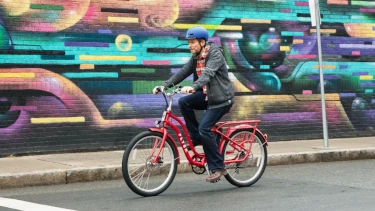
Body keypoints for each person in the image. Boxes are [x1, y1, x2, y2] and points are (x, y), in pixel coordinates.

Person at [152, 26, 234, 183]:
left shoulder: (215, 54)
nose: (190, 45)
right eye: (188, 42)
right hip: (206, 96)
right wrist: (165, 86)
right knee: (184, 102)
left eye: (192, 42)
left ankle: (218, 167)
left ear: (202, 42)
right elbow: (183, 72)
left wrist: (194, 86)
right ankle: (196, 137)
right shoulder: (196, 57)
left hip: (221, 99)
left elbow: (208, 73)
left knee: (205, 127)